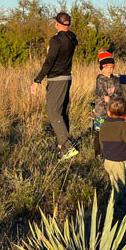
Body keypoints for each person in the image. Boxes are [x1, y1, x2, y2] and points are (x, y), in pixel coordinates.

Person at [30, 12, 79, 160]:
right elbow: (71, 41)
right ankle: (61, 146)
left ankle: (67, 146)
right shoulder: (72, 37)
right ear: (68, 24)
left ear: (56, 23)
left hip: (56, 79)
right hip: (67, 77)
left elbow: (49, 62)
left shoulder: (56, 40)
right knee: (62, 111)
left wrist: (37, 80)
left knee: (53, 111)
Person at [93, 49, 123, 122]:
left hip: (114, 109)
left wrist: (113, 100)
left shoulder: (116, 79)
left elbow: (119, 92)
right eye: (106, 68)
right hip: (102, 110)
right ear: (101, 69)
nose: (109, 70)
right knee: (102, 129)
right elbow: (102, 93)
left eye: (111, 68)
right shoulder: (100, 79)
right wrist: (107, 98)